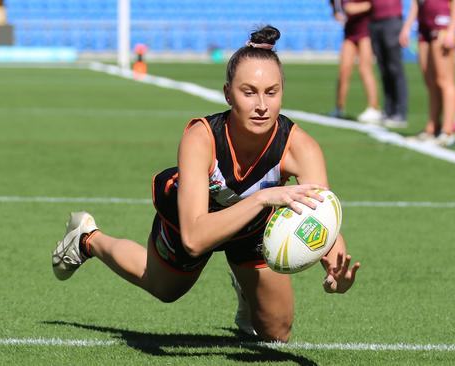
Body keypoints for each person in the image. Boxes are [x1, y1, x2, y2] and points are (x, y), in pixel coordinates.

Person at [51, 25, 361, 343]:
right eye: (249, 91)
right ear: (228, 93)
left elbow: (320, 217)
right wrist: (262, 199)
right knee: (164, 289)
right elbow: (195, 239)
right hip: (196, 219)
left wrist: (335, 265)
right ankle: (88, 239)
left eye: (272, 92)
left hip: (253, 227)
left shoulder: (301, 147)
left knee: (277, 334)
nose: (262, 105)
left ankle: (245, 285)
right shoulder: (201, 137)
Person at [400, 0, 455, 147]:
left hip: (442, 23)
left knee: (445, 81)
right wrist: (407, 27)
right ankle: (432, 128)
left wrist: (452, 30)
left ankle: (448, 132)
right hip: (424, 25)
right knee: (430, 81)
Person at [328, 0, 383, 125]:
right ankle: (339, 108)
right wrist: (336, 11)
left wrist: (360, 7)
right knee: (344, 70)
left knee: (365, 69)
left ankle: (373, 108)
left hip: (366, 31)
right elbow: (336, 5)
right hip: (350, 32)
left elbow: (369, 5)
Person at [368, 0, 409, 128]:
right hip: (375, 21)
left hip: (391, 20)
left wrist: (405, 28)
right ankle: (388, 109)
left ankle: (400, 112)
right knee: (383, 69)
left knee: (395, 69)